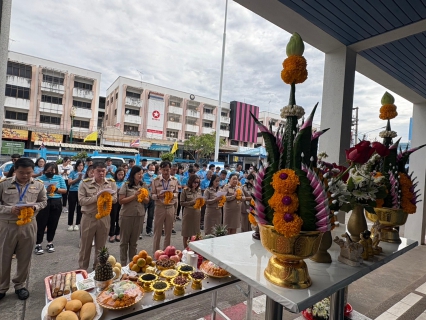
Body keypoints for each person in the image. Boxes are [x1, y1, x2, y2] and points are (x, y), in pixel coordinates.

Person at [0, 158, 47, 300]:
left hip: (29, 224)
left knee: (25, 257)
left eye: (28, 172)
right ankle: (2, 287)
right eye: (21, 172)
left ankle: (19, 285)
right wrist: (10, 209)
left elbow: (44, 201)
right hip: (8, 225)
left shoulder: (39, 185)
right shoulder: (4, 184)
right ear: (15, 170)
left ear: (33, 171)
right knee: (3, 256)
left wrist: (35, 207)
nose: (25, 175)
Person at [78, 162, 118, 270]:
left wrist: (106, 198)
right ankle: (83, 270)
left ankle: (98, 270)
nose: (101, 173)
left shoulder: (111, 183)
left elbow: (115, 199)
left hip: (104, 218)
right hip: (89, 217)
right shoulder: (85, 183)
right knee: (85, 246)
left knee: (101, 247)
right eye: (98, 171)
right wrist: (98, 197)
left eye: (103, 171)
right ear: (93, 171)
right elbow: (82, 201)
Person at [118, 166, 149, 266]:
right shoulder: (126, 185)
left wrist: (142, 196)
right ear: (133, 174)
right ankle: (123, 264)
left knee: (134, 242)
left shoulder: (143, 185)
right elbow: (121, 201)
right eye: (138, 174)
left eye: (142, 173)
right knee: (124, 242)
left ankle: (132, 263)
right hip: (127, 216)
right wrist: (134, 196)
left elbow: (147, 200)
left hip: (139, 215)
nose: (141, 175)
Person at [35, 163, 67, 254]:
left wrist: (55, 189)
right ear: (44, 170)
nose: (50, 172)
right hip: (44, 202)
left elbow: (64, 190)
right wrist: (46, 190)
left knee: (53, 223)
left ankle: (50, 242)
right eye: (48, 170)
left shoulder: (59, 178)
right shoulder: (39, 179)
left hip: (56, 202)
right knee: (41, 223)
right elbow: (36, 191)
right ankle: (38, 244)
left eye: (52, 170)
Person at [151, 161, 178, 254]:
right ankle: (156, 253)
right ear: (160, 170)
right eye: (164, 170)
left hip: (170, 207)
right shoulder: (155, 180)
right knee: (157, 232)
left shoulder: (174, 180)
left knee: (168, 233)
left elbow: (176, 192)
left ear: (170, 169)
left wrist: (171, 195)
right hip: (160, 207)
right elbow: (152, 195)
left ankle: (166, 254)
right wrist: (158, 196)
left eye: (168, 170)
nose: (166, 172)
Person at [180, 174, 202, 248]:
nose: (196, 184)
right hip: (188, 213)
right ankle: (186, 249)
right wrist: (192, 202)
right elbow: (181, 203)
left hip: (196, 213)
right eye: (194, 182)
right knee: (186, 233)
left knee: (195, 233)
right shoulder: (185, 190)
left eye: (197, 182)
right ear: (191, 182)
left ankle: (194, 249)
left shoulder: (198, 190)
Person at [67, 160, 85, 231]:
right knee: (71, 208)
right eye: (79, 165)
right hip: (73, 191)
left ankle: (77, 223)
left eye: (82, 165)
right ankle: (70, 224)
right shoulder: (72, 172)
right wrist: (78, 179)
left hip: (81, 192)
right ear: (76, 166)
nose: (80, 167)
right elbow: (69, 183)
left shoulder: (85, 173)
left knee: (79, 208)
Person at [109, 168, 125, 243]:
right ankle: (111, 234)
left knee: (120, 218)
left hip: (122, 201)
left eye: (122, 174)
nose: (120, 176)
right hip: (114, 201)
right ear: (116, 174)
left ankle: (118, 233)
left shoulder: (125, 182)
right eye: (119, 174)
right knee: (113, 217)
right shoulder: (112, 181)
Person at [142, 164, 157, 238]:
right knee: (142, 214)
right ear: (147, 169)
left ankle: (149, 230)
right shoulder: (143, 176)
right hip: (145, 198)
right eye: (150, 170)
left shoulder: (156, 177)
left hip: (153, 198)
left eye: (153, 170)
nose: (152, 171)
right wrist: (149, 185)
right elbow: (141, 186)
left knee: (151, 215)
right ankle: (139, 231)